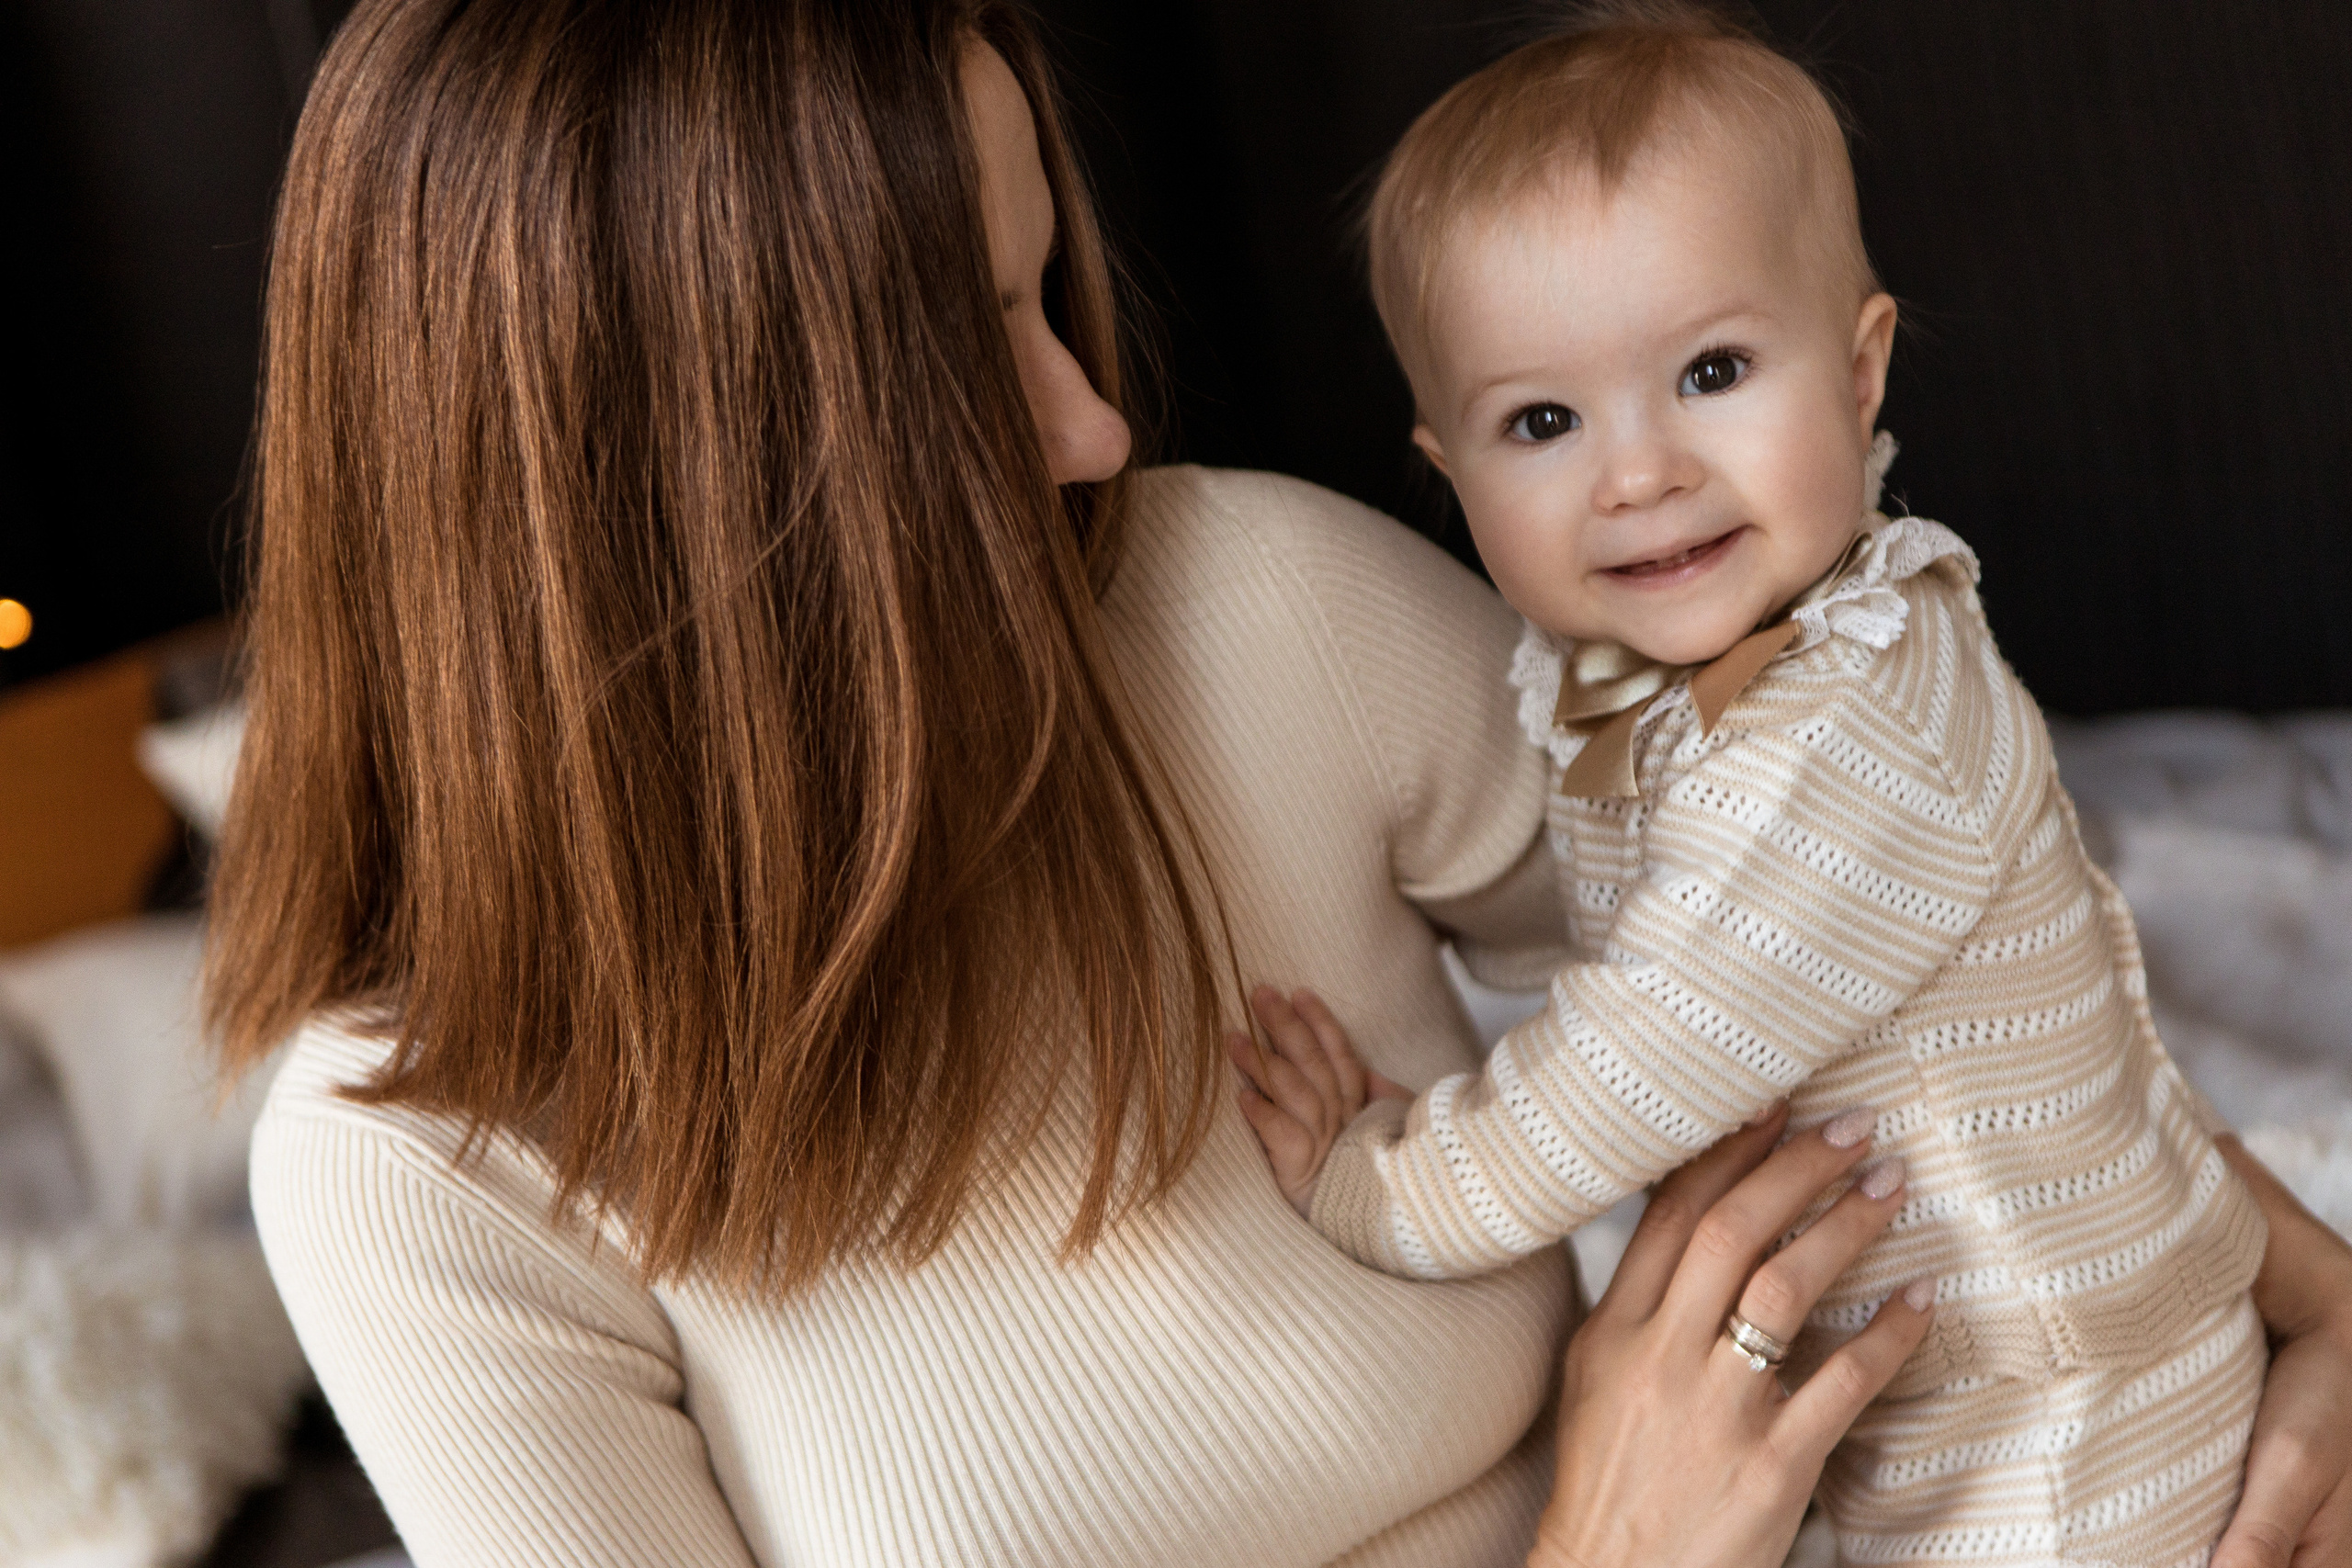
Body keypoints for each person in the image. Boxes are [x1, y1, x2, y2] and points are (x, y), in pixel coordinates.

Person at [205, 1, 2352, 1564]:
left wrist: (2280, 1288)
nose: (1088, 430)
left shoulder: (1240, 607)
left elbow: (1866, 938)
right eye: (966, 355)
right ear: (659, 488)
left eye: (1045, 295)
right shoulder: (414, 1173)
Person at [1227, 6, 2317, 1564]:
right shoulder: (1650, 684)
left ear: (1861, 373)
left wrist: (1383, 1187)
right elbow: (1624, 929)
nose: (1639, 473)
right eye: (1544, 421)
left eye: (1712, 370)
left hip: (2066, 1411)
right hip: (1921, 1394)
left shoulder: (1850, 726)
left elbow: (1631, 1054)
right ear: (1451, 474)